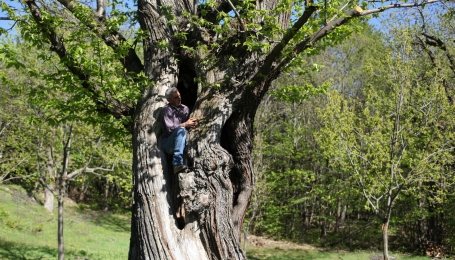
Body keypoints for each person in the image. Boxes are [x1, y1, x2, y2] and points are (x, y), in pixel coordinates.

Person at [161, 87, 198, 173]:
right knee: (181, 131)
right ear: (169, 100)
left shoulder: (185, 109)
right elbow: (170, 128)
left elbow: (188, 124)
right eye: (176, 97)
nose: (179, 98)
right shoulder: (167, 109)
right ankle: (177, 163)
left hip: (180, 141)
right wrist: (185, 124)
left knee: (185, 133)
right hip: (168, 143)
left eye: (179, 96)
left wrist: (193, 123)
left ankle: (186, 166)